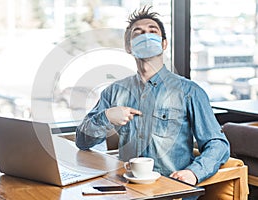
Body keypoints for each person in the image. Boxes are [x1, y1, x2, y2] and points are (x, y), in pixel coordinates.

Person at [75, 6, 230, 187]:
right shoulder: (114, 91)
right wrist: (106, 117)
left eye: (152, 31)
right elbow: (82, 141)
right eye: (138, 33)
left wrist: (193, 173)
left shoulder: (190, 92)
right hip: (126, 189)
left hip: (172, 191)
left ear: (164, 44)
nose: (146, 36)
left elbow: (218, 144)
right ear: (128, 47)